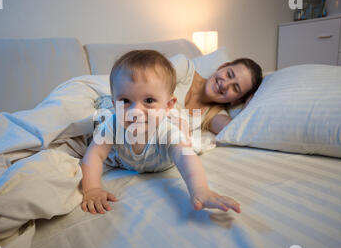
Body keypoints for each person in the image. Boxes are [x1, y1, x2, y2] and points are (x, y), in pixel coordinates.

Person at [80, 50, 242, 215]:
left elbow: (184, 156)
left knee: (185, 138)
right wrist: (92, 189)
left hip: (167, 138)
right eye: (125, 101)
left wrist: (200, 189)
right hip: (123, 151)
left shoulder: (167, 130)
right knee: (97, 120)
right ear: (115, 103)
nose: (136, 111)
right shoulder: (114, 124)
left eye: (149, 101)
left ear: (168, 105)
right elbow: (94, 155)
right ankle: (104, 102)